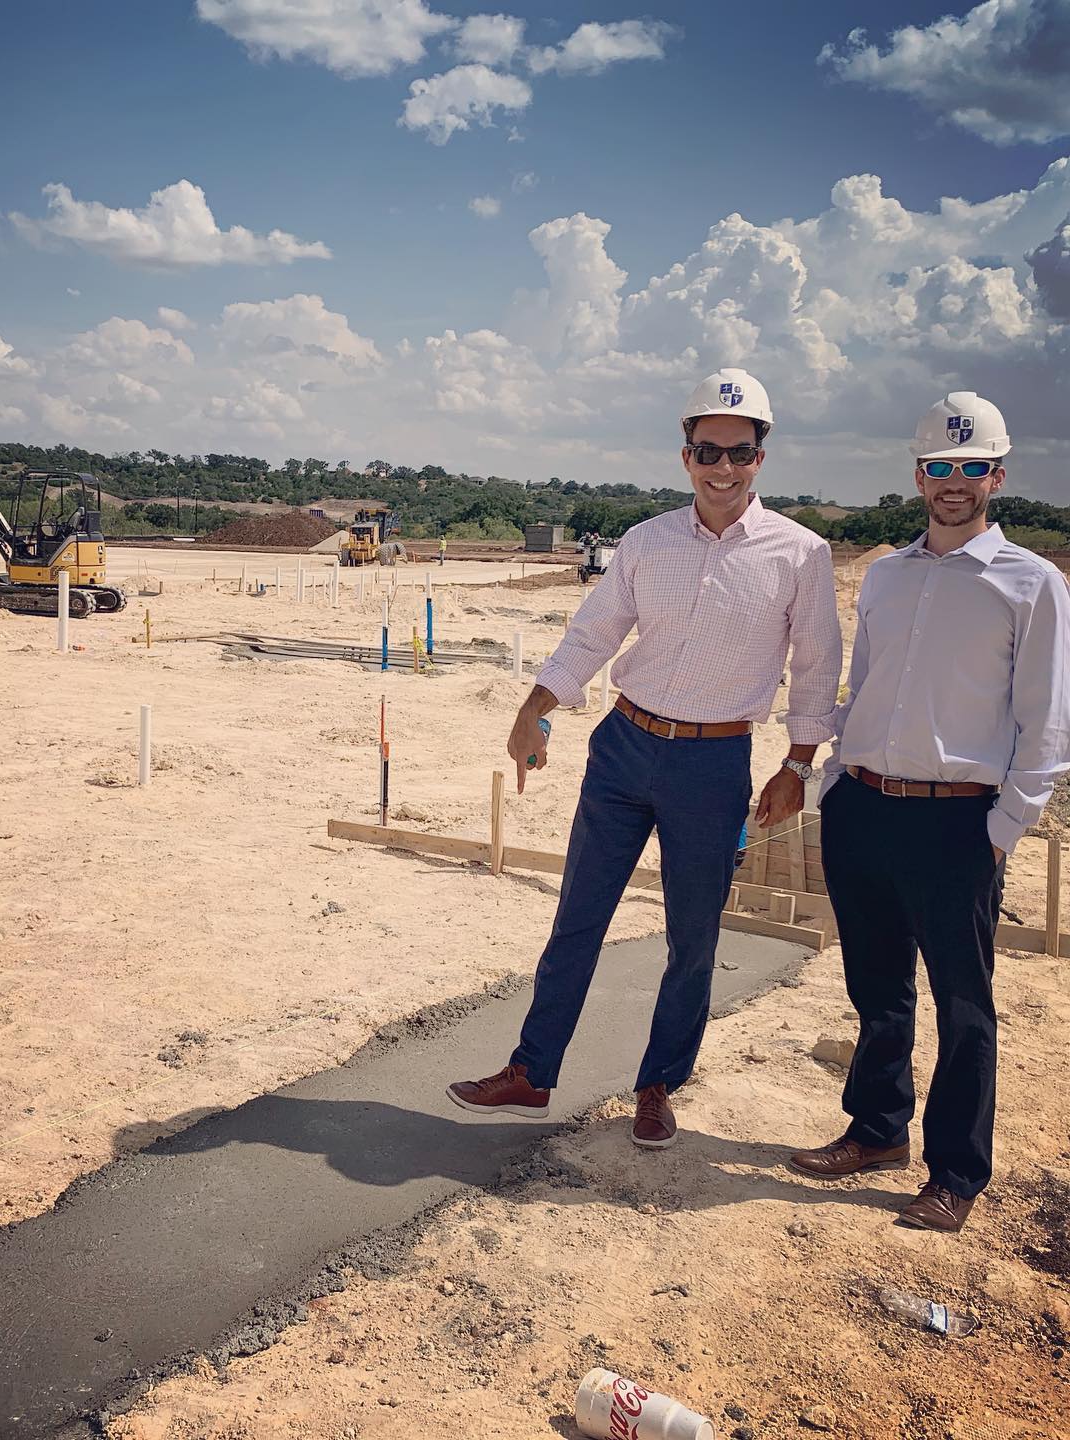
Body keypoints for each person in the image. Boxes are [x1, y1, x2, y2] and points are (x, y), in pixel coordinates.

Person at [448, 368, 843, 1146]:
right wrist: (533, 708)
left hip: (713, 765)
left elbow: (816, 668)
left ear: (761, 458)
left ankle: (658, 1086)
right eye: (708, 452)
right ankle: (531, 1072)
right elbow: (593, 634)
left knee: (691, 938)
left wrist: (798, 765)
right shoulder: (646, 541)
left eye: (739, 453)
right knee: (577, 918)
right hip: (623, 749)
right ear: (686, 456)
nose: (722, 468)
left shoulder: (801, 554)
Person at [789, 392, 1070, 1233]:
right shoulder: (886, 574)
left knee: (963, 1006)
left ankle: (955, 1173)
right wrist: (835, 778)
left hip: (959, 823)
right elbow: (866, 684)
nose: (955, 481)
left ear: (997, 476)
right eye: (940, 466)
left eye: (972, 466)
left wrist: (1001, 831)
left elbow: (1046, 725)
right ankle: (877, 1131)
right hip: (865, 806)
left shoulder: (1033, 584)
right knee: (878, 990)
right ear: (918, 475)